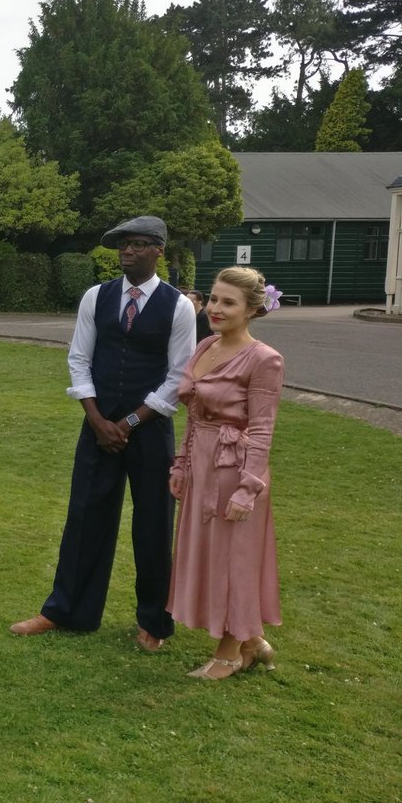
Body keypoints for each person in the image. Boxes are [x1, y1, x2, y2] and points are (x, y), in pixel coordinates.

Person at [10, 215, 196, 651]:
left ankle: (154, 622)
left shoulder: (179, 307)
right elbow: (79, 359)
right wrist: (97, 419)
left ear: (158, 251)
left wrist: (129, 422)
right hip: (97, 427)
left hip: (149, 431)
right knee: (85, 516)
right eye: (121, 246)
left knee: (152, 525)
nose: (125, 252)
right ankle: (66, 611)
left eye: (135, 245)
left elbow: (179, 376)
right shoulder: (97, 296)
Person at [168, 267, 284, 679]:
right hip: (201, 465)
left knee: (234, 559)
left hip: (236, 471)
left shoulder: (264, 359)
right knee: (212, 557)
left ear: (252, 309)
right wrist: (181, 465)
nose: (215, 308)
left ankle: (230, 654)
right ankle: (253, 643)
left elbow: (263, 428)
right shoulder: (204, 348)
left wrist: (248, 488)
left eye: (228, 302)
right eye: (214, 299)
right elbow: (196, 417)